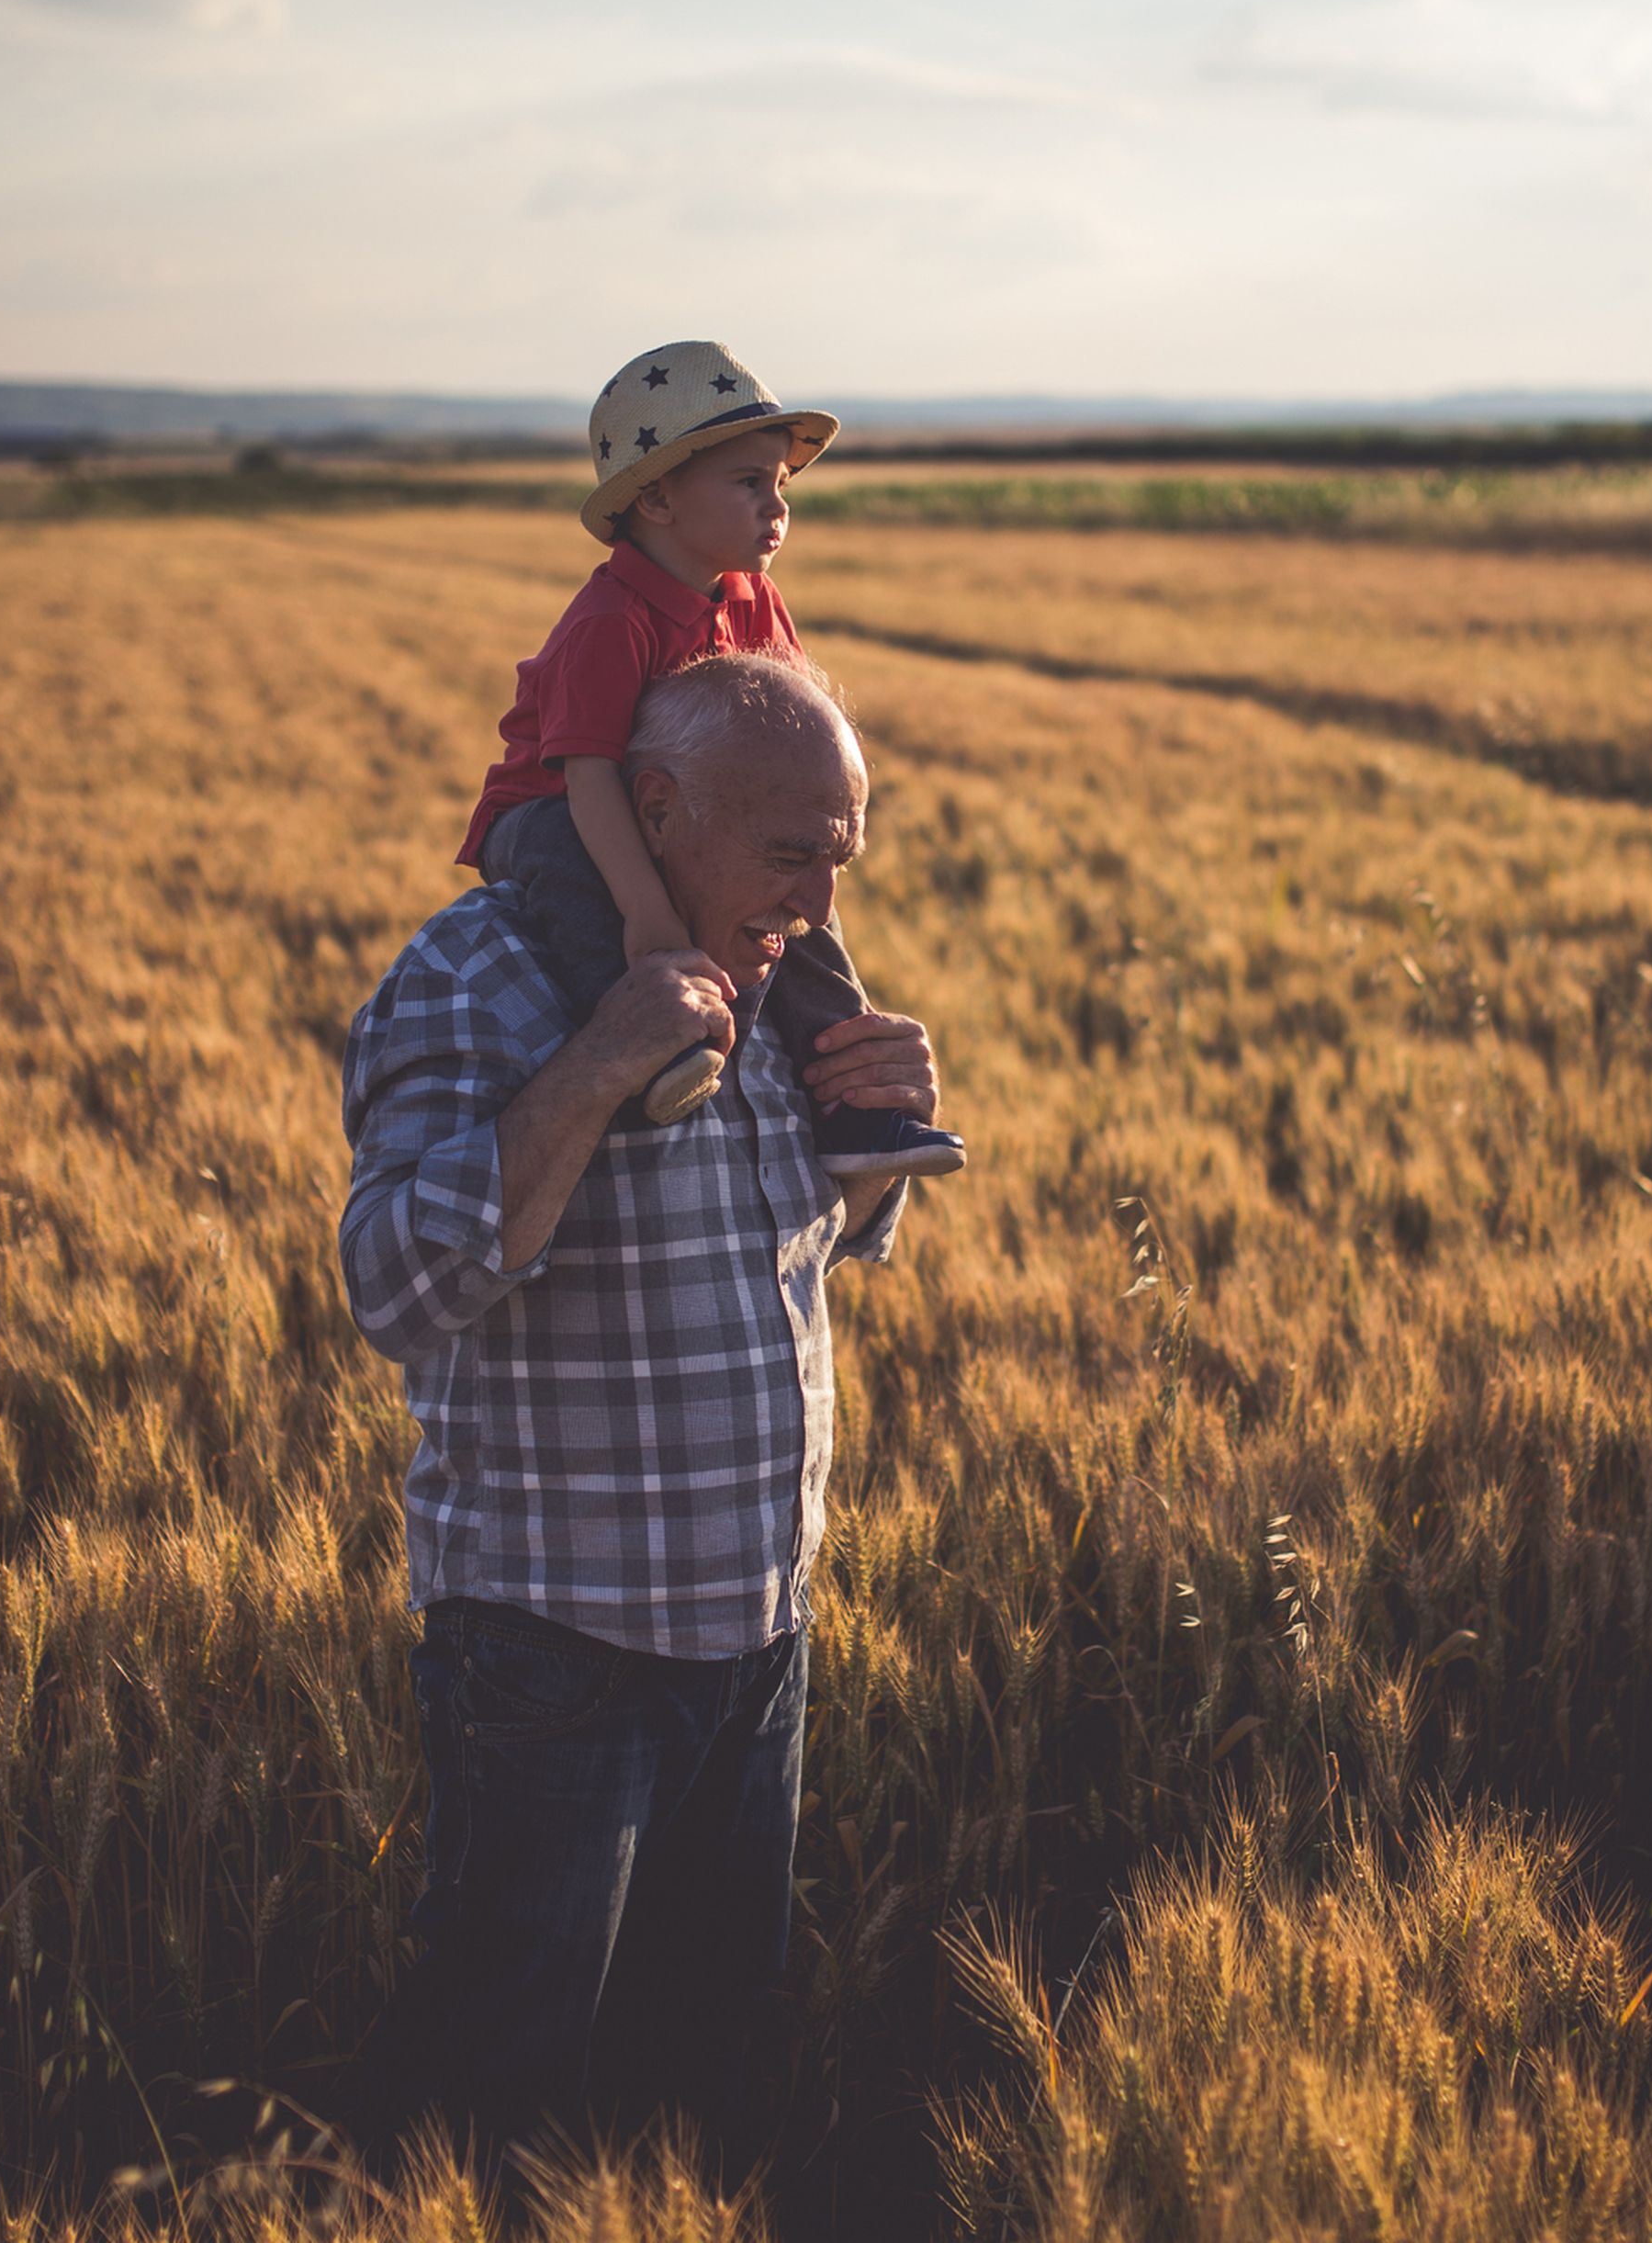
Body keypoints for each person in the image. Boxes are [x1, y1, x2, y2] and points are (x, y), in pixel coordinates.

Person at [340, 650, 940, 2147]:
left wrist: (878, 1145)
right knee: (511, 2076)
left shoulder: (778, 986)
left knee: (704, 2066)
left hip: (759, 1644)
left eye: (841, 859)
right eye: (790, 853)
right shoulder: (478, 980)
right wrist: (601, 1061)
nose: (820, 901)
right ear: (657, 809)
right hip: (559, 1662)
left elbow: (807, 1242)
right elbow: (398, 1288)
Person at [455, 339, 965, 1183]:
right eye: (747, 482)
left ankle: (851, 1105)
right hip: (549, 811)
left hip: (679, 809)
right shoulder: (608, 620)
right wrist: (650, 916)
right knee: (587, 900)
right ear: (656, 498)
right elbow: (587, 781)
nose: (777, 506)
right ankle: (652, 1058)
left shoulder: (755, 600)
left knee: (793, 906)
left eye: (782, 484)